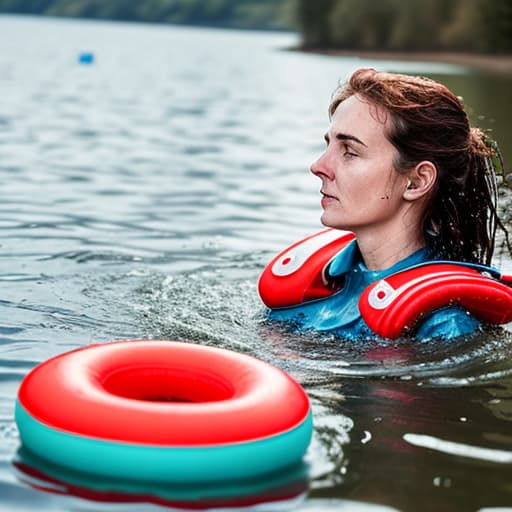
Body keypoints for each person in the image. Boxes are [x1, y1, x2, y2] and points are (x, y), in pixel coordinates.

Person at [261, 68, 511, 340]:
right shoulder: (315, 286)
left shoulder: (443, 325)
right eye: (329, 145)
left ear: (416, 182)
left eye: (350, 152)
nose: (318, 166)